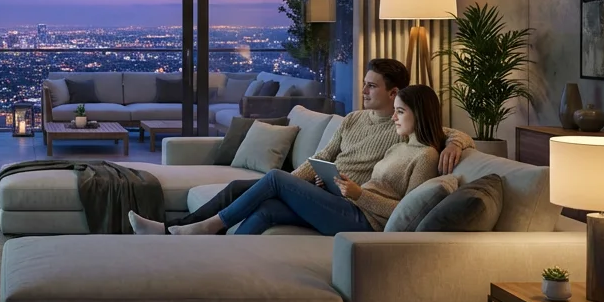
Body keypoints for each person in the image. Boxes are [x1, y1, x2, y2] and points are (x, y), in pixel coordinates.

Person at [128, 58, 471, 235]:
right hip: (331, 192)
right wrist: (298, 182)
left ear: (394, 94)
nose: (363, 91)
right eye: (364, 85)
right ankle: (205, 248)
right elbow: (321, 157)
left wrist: (457, 141)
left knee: (274, 180)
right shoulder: (353, 119)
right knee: (260, 202)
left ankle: (203, 229)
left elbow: (437, 130)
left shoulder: (404, 132)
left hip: (353, 207)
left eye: (371, 87)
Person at [167, 84, 445, 235]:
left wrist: (360, 195)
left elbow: (407, 213)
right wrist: (340, 188)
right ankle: (223, 257)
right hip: (347, 204)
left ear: (419, 115)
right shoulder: (401, 145)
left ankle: (210, 226)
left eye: (401, 112)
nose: (394, 118)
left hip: (365, 222)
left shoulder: (426, 156)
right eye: (394, 111)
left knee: (276, 178)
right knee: (268, 210)